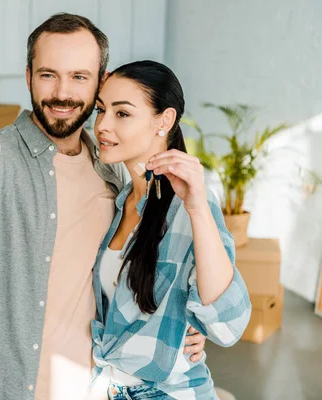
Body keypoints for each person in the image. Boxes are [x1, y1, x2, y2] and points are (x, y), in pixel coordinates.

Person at [0, 13, 206, 400]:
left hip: (91, 388)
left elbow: (128, 279)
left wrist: (181, 327)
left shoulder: (112, 169)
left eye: (79, 77)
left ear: (100, 82)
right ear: (28, 77)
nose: (62, 93)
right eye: (48, 75)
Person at [89, 60, 252, 400]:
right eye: (101, 110)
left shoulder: (190, 204)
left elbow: (228, 325)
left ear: (164, 120)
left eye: (122, 114)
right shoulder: (118, 200)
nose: (102, 125)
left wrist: (196, 208)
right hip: (109, 386)